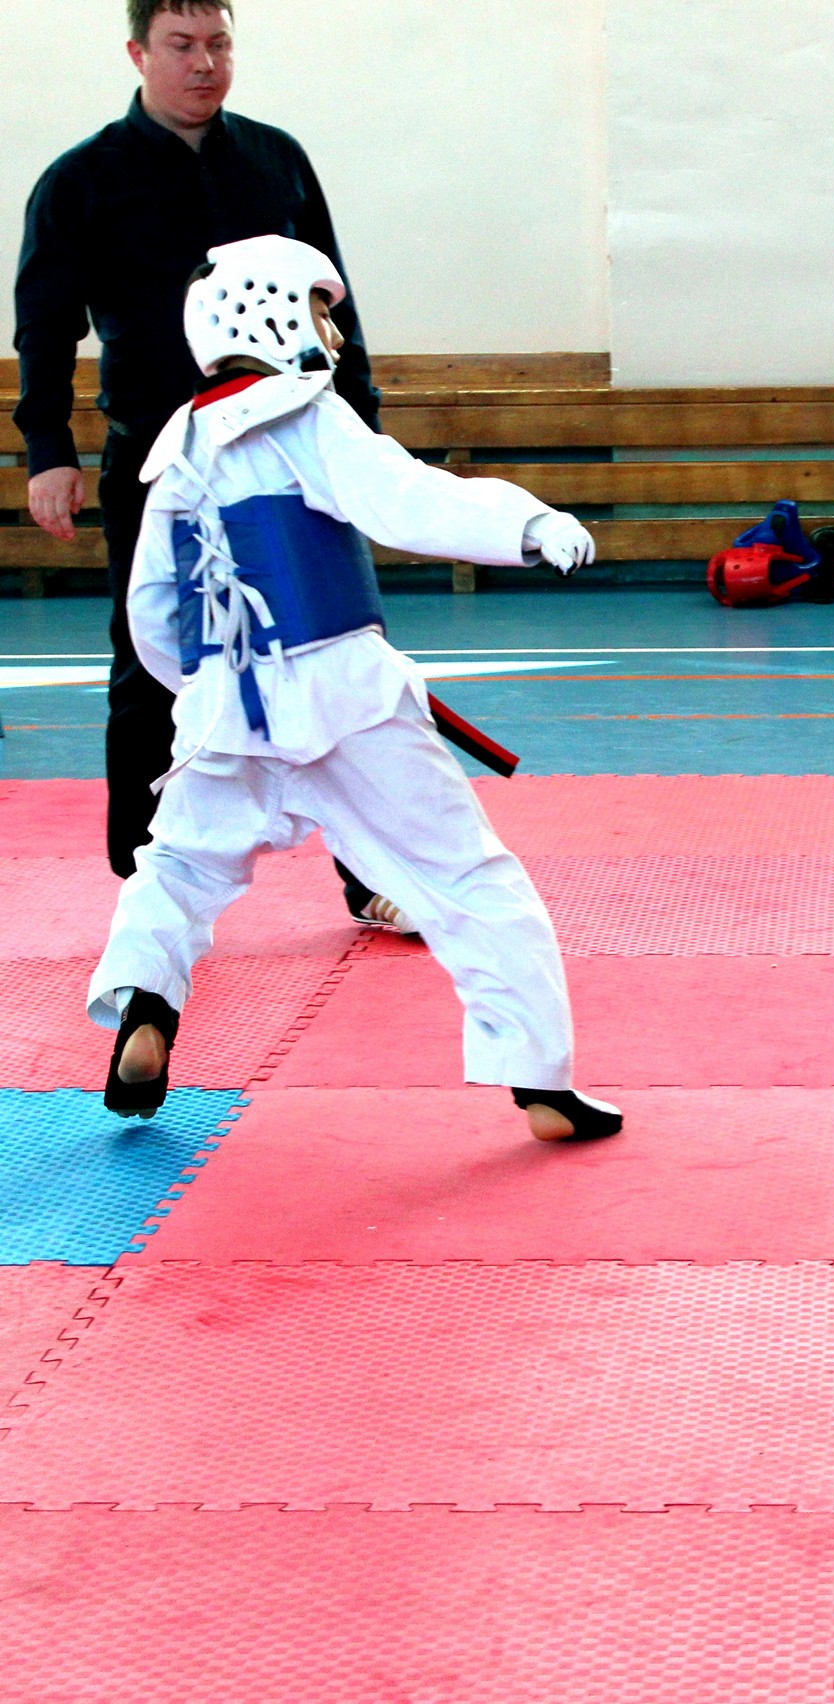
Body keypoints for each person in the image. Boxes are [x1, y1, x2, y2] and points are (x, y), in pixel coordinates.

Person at [90, 235, 619, 1145]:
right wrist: (528, 524)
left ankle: (146, 1003)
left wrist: (207, 693)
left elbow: (151, 611)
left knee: (177, 867)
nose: (333, 332)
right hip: (343, 696)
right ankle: (541, 1084)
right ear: (275, 309)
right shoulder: (307, 416)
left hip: (222, 705)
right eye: (323, 309)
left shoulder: (174, 448)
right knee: (464, 878)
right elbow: (406, 498)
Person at [12, 0, 407, 929]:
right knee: (152, 671)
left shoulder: (274, 159)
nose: (204, 64)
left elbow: (332, 305)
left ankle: (373, 875)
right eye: (182, 47)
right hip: (161, 464)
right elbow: (44, 327)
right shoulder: (82, 180)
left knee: (337, 664)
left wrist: (364, 432)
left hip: (294, 454)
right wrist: (47, 452)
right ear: (138, 53)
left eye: (219, 44)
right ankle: (145, 886)